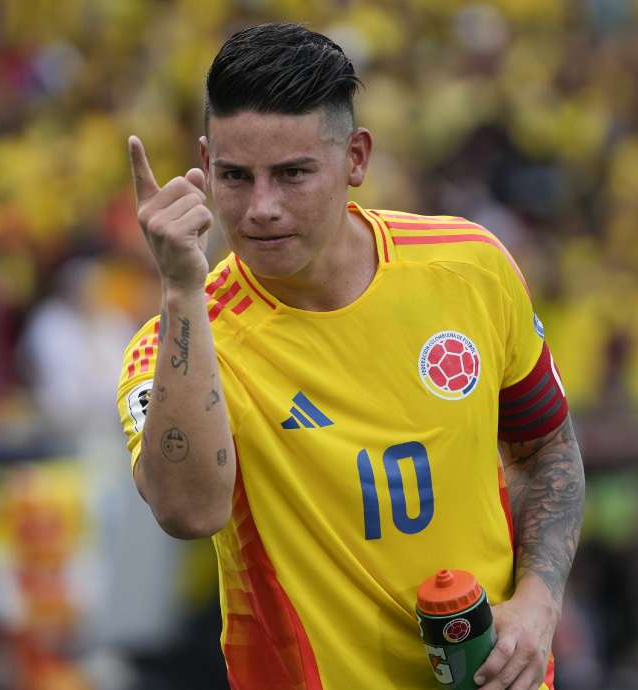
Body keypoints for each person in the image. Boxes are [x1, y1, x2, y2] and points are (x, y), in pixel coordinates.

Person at [115, 23, 584, 690]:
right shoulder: (176, 346)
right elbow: (189, 513)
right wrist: (182, 288)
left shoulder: (469, 267)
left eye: (293, 174)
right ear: (205, 162)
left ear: (355, 158)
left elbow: (548, 452)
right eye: (235, 177)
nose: (261, 208)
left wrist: (538, 602)